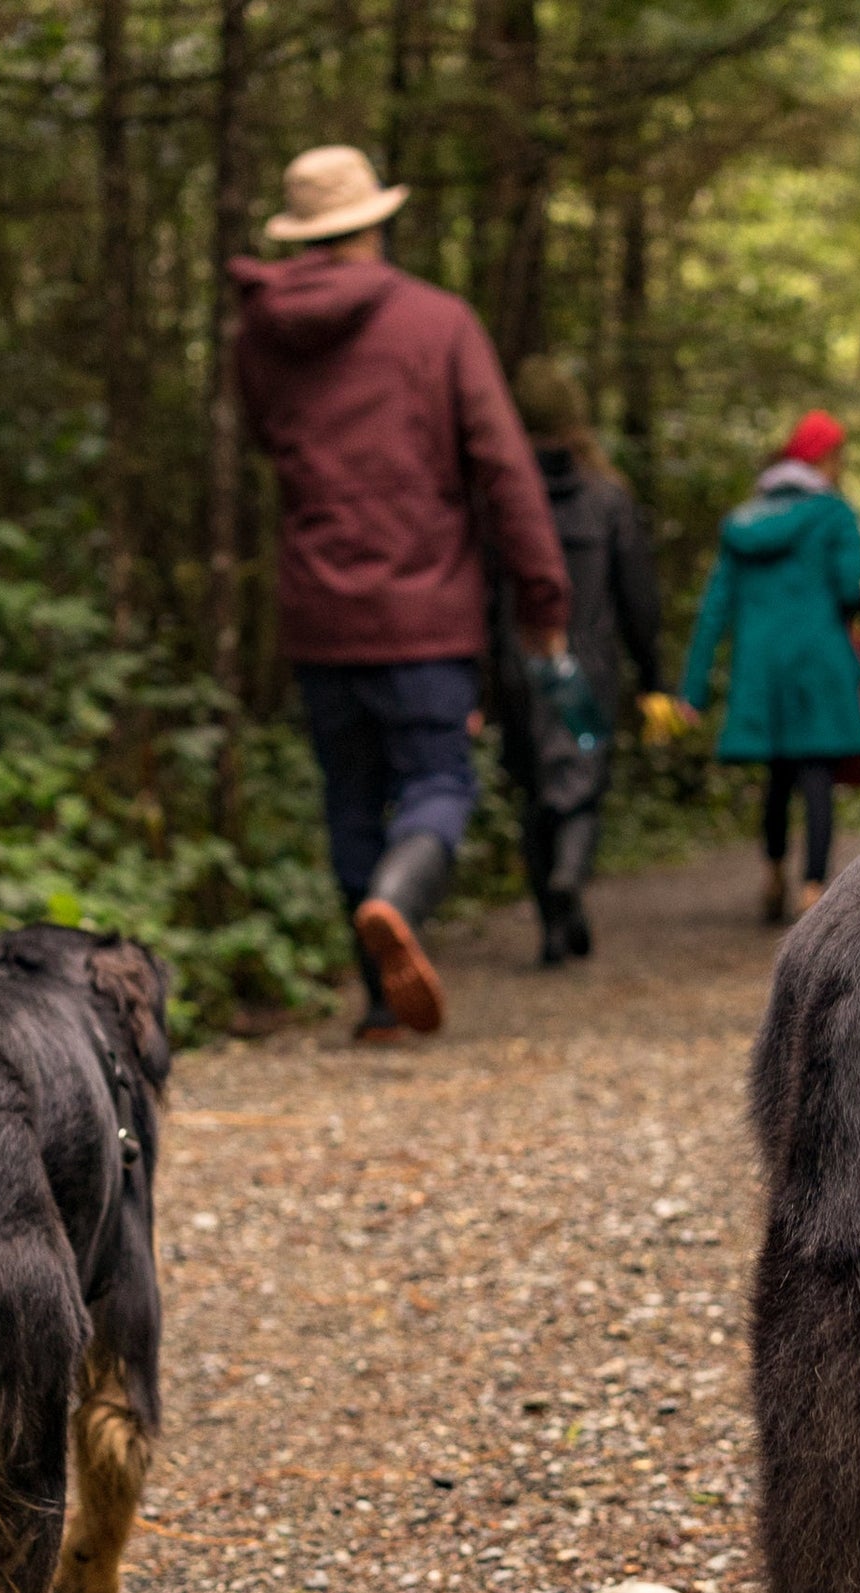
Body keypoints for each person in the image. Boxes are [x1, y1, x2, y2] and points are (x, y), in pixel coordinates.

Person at [231, 144, 569, 1041]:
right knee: (437, 782)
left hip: (318, 609)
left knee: (350, 794)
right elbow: (503, 468)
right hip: (424, 608)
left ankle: (380, 1001)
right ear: (374, 224)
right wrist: (543, 597)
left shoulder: (258, 328)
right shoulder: (437, 323)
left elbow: (271, 441)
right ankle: (397, 901)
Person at [487, 356, 663, 968]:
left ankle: (552, 929)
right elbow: (638, 596)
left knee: (535, 791)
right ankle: (569, 877)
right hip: (586, 662)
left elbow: (484, 593)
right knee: (581, 789)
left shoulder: (501, 499)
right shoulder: (606, 497)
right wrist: (653, 677)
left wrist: (476, 687)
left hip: (518, 662)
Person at [678, 411, 860, 924]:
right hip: (818, 664)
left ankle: (772, 873)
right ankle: (813, 887)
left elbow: (714, 606)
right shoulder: (835, 515)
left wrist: (691, 690)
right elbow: (849, 588)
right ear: (827, 458)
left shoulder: (745, 522)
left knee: (779, 777)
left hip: (762, 670)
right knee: (816, 775)